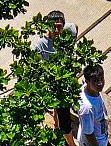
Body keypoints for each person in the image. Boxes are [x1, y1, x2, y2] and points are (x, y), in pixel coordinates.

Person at [34, 9, 79, 146]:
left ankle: (56, 119)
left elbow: (75, 26)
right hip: (53, 82)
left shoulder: (69, 30)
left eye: (59, 26)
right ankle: (71, 143)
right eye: (52, 26)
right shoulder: (40, 45)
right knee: (65, 119)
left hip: (67, 78)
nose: (56, 29)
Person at [77, 62, 110, 146]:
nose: (100, 83)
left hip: (102, 136)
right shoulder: (87, 108)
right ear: (87, 81)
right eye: (95, 81)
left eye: (101, 79)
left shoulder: (91, 90)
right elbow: (89, 134)